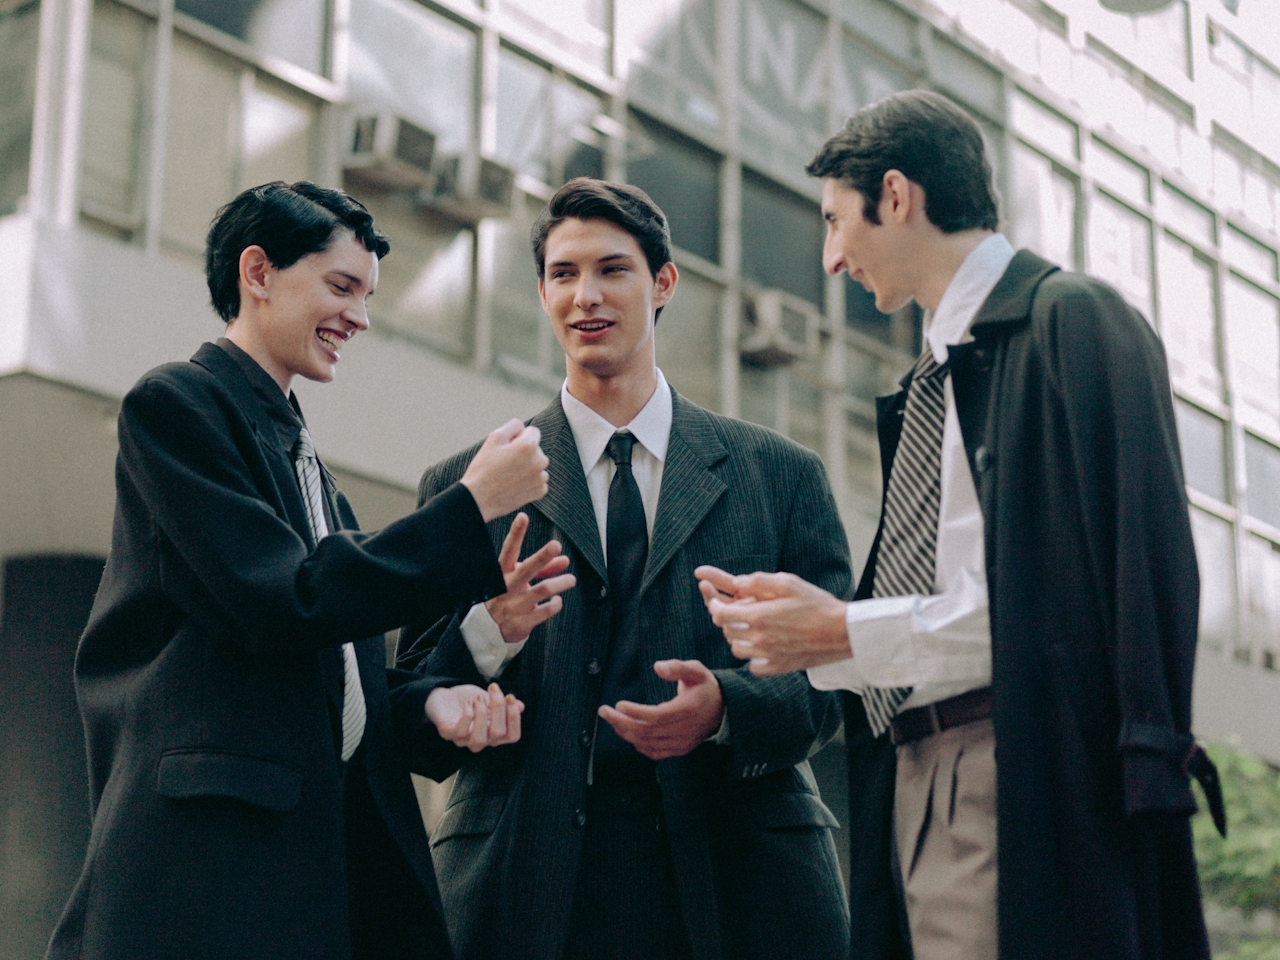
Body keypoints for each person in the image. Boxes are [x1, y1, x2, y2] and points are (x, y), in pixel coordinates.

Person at [697, 90, 1224, 960]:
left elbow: (1088, 597)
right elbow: (979, 601)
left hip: (1024, 777)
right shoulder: (931, 382)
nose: (831, 259)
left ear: (896, 197)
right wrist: (820, 639)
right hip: (914, 774)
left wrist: (838, 629)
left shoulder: (1073, 322)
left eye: (837, 222)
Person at [46, 181, 554, 960]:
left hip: (314, 869)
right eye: (341, 286)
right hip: (211, 872)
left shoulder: (316, 480)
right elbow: (284, 599)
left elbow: (342, 686)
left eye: (368, 295)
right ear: (258, 273)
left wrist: (476, 647)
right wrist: (470, 504)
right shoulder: (177, 406)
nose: (359, 316)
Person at [397, 177, 851, 960]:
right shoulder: (465, 486)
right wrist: (483, 637)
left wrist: (726, 709)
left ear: (663, 282)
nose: (586, 296)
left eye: (613, 269)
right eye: (564, 275)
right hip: (525, 886)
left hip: (739, 877)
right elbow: (410, 711)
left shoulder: (779, 475)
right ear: (541, 293)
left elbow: (837, 674)